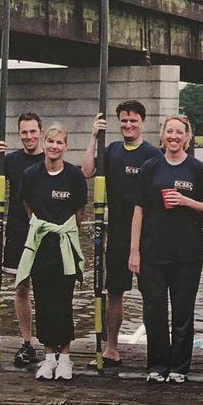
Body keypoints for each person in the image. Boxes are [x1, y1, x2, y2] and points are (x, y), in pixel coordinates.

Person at [128, 115, 203, 383]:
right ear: (163, 135)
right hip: (153, 250)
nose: (174, 137)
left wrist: (187, 201)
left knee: (183, 310)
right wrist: (134, 251)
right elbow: (139, 209)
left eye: (180, 132)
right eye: (170, 132)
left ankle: (179, 367)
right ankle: (156, 364)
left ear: (188, 137)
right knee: (154, 310)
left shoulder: (198, 169)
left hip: (187, 253)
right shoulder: (150, 167)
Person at [80, 100, 162, 367]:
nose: (128, 125)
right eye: (124, 121)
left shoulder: (152, 154)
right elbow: (87, 171)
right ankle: (111, 347)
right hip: (116, 233)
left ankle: (157, 350)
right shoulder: (112, 150)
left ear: (142, 123)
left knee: (152, 293)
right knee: (114, 291)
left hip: (148, 235)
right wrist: (93, 136)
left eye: (133, 121)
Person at [17, 125, 87, 381]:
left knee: (63, 301)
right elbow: (26, 202)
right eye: (50, 141)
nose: (54, 146)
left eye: (60, 142)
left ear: (66, 147)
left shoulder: (74, 176)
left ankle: (66, 358)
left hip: (65, 246)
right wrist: (40, 226)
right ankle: (48, 358)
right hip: (41, 246)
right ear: (44, 144)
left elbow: (80, 210)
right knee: (43, 301)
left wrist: (64, 231)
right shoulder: (31, 174)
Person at [0, 112, 44, 368]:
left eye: (32, 131)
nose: (29, 136)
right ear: (20, 134)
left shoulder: (49, 156)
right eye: (24, 132)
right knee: (21, 288)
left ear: (40, 131)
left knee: (49, 290)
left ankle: (54, 343)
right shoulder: (12, 160)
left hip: (44, 232)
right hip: (18, 231)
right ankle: (27, 343)